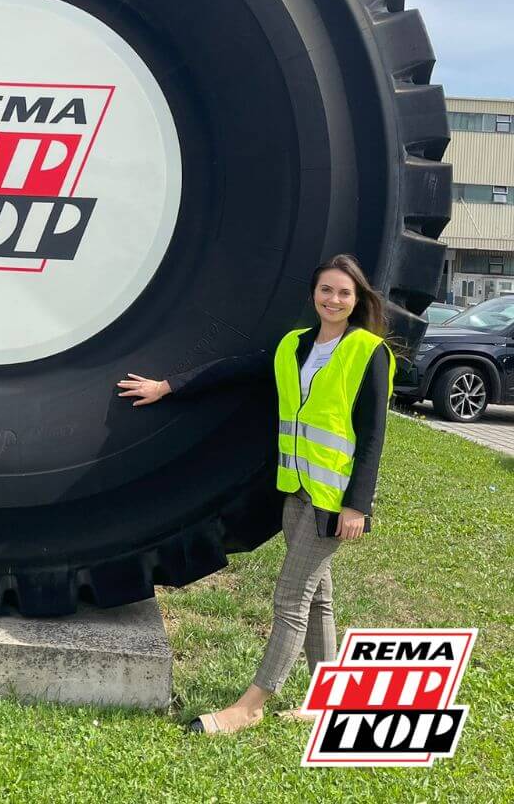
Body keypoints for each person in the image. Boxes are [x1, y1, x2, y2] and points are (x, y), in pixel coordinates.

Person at [117, 253, 393, 735]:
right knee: (317, 600)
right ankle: (327, 703)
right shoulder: (295, 346)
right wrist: (168, 386)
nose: (333, 299)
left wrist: (358, 506)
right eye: (326, 290)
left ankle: (251, 704)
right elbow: (238, 370)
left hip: (333, 503)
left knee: (290, 600)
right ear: (313, 294)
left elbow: (373, 435)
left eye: (344, 293)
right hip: (297, 492)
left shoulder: (368, 352)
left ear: (357, 300)